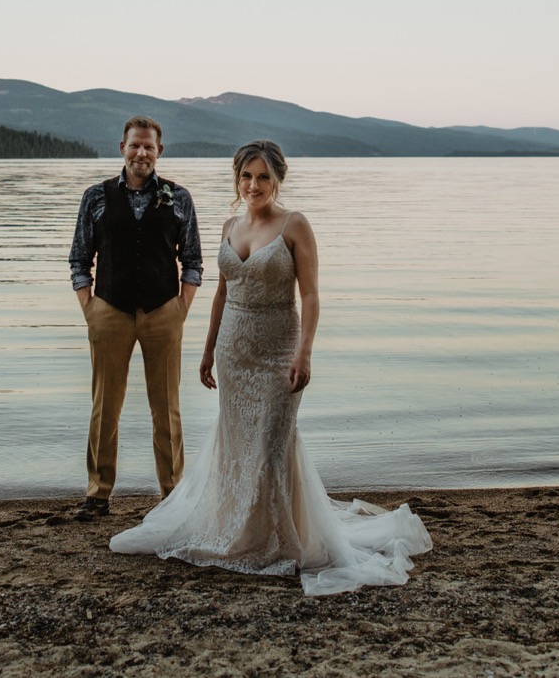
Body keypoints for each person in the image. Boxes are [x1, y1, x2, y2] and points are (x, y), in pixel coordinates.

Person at [110, 139, 431, 595]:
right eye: (246, 176)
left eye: (262, 177)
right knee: (237, 448)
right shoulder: (228, 225)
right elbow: (222, 293)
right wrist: (206, 350)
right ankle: (240, 533)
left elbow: (312, 295)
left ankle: (279, 542)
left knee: (270, 449)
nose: (253, 185)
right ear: (236, 179)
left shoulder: (295, 225)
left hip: (279, 353)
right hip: (233, 355)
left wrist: (305, 351)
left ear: (277, 179)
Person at [68, 116, 203, 520]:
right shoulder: (96, 197)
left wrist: (182, 307)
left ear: (159, 151)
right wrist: (89, 307)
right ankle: (98, 494)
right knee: (104, 406)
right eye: (134, 145)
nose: (141, 153)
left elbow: (193, 259)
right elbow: (79, 256)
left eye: (149, 146)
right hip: (108, 310)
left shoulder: (178, 197)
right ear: (121, 147)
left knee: (167, 407)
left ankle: (172, 494)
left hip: (165, 311)